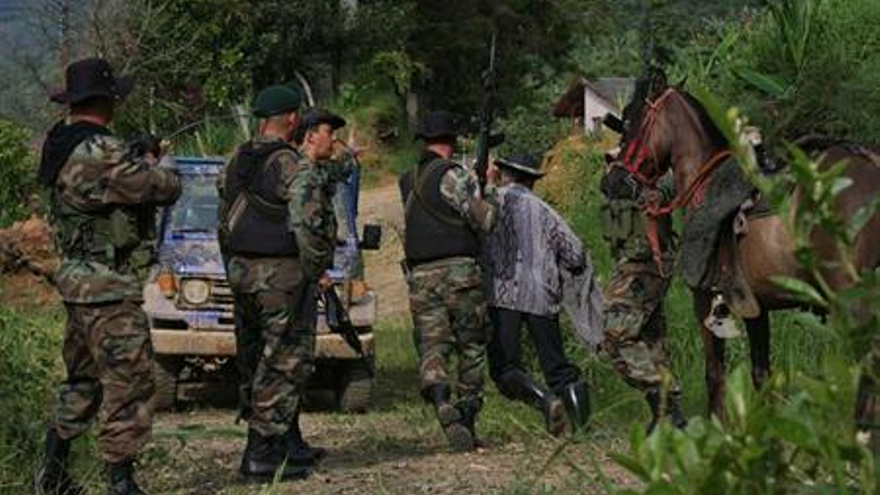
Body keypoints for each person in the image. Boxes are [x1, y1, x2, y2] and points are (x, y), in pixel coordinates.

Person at [35, 57, 181, 495]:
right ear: (107, 100)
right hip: (108, 288)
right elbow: (163, 188)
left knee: (82, 381)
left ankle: (53, 472)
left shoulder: (60, 144)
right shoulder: (104, 150)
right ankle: (121, 481)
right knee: (131, 382)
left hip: (76, 283)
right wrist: (158, 160)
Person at [217, 85, 342, 480]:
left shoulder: (236, 159)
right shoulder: (291, 164)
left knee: (254, 359)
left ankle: (285, 443)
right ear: (292, 120)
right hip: (282, 276)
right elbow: (307, 221)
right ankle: (260, 454)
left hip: (242, 274)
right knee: (285, 360)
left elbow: (223, 217)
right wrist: (315, 266)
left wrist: (233, 266)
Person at [399, 110, 497, 451]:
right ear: (452, 142)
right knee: (471, 345)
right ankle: (467, 415)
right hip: (459, 274)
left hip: (421, 276)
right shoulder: (453, 175)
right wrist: (490, 188)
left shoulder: (406, 179)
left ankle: (441, 400)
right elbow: (485, 220)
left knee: (432, 345)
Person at [483, 153, 593, 435]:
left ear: (504, 173)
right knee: (557, 367)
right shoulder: (544, 209)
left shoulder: (488, 204)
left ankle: (546, 401)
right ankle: (582, 430)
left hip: (502, 294)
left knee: (505, 367)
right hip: (541, 295)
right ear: (532, 180)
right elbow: (575, 253)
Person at [600, 153, 688, 433]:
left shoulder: (655, 164)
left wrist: (644, 184)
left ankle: (665, 400)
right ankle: (668, 417)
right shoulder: (624, 168)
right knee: (650, 339)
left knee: (616, 336)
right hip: (638, 260)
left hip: (645, 261)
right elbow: (614, 220)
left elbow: (674, 180)